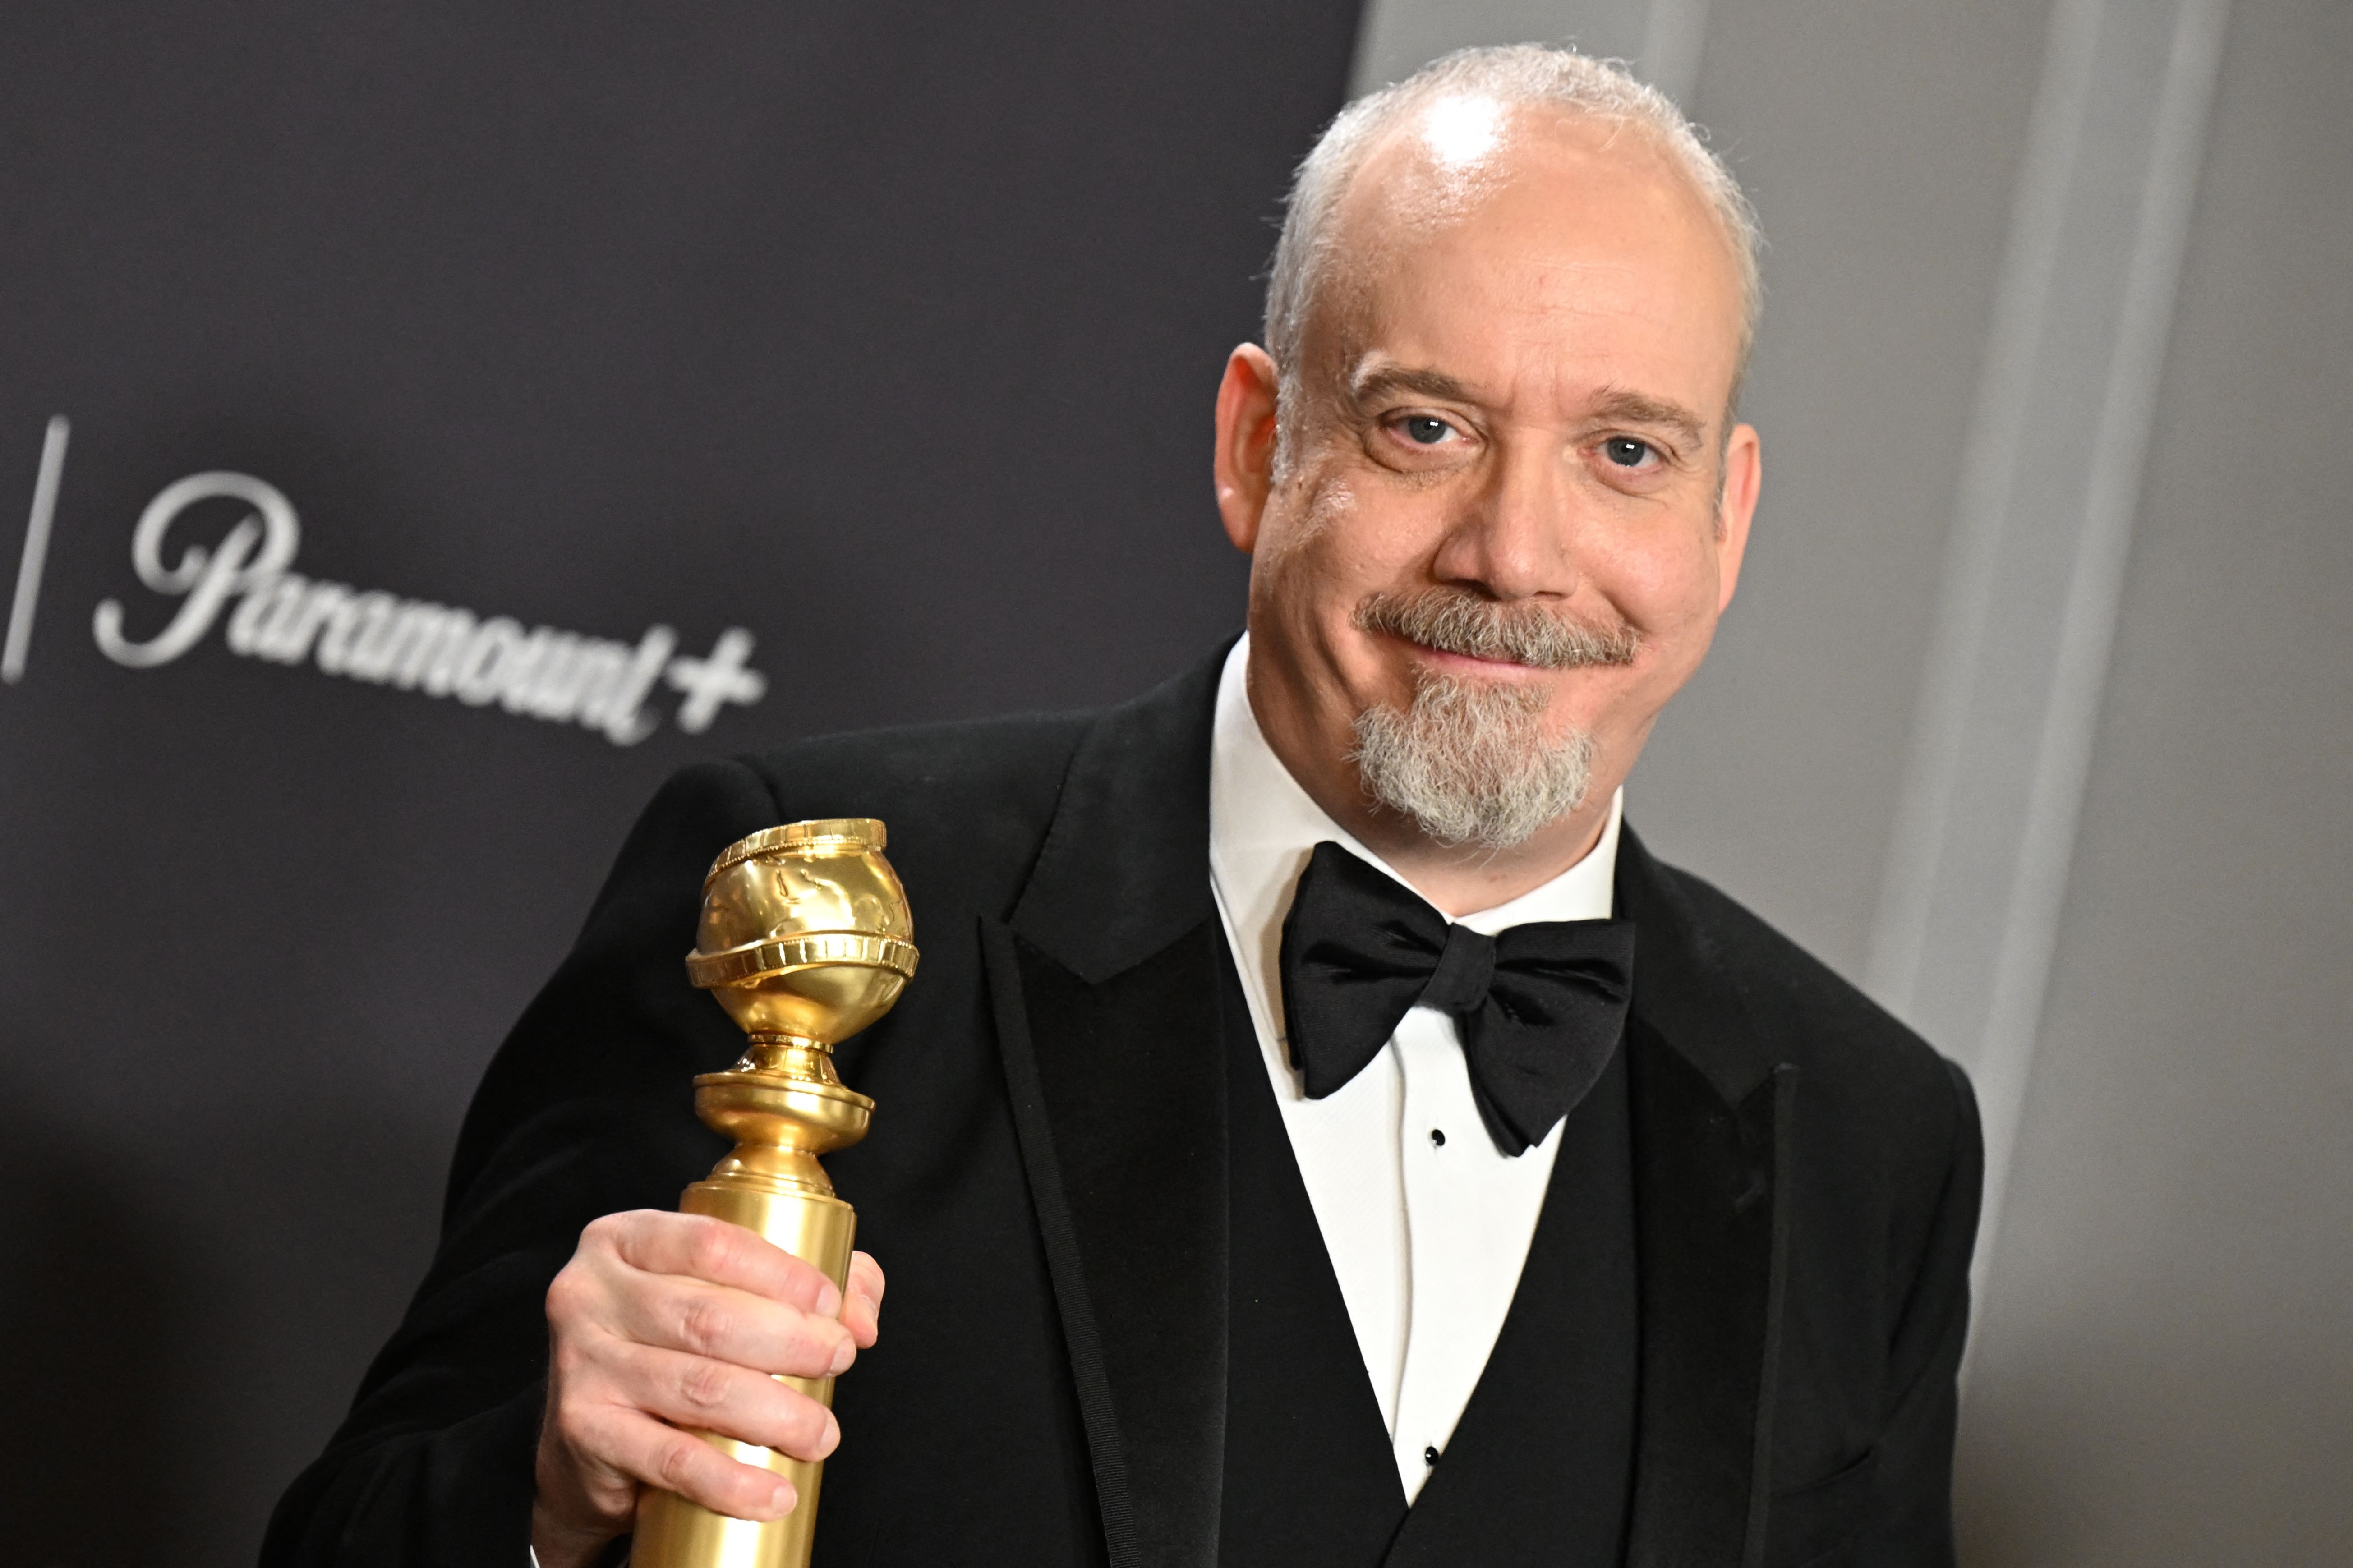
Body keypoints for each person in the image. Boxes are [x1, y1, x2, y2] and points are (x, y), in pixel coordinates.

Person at [266, 44, 1980, 1568]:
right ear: (1255, 444)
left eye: (1625, 453)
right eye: (1425, 427)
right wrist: (555, 1496)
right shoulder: (816, 903)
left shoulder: (1867, 1140)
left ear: (1724, 519)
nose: (1514, 553)